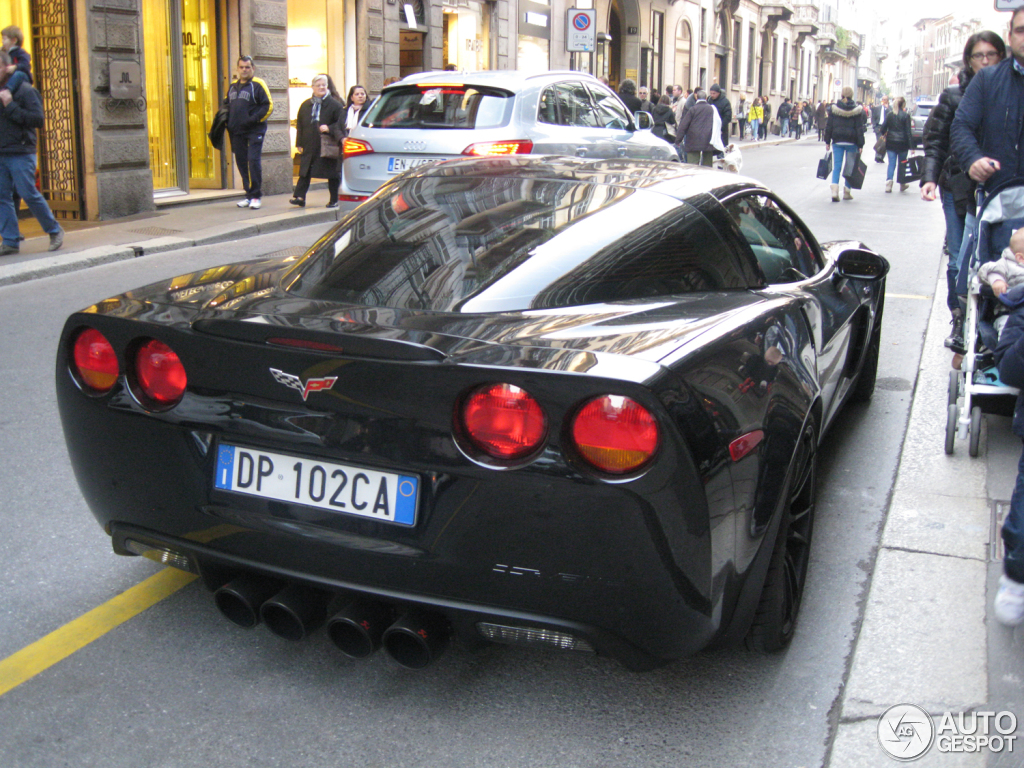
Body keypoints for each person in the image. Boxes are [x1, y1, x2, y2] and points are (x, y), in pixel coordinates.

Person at [952, 8, 1024, 625]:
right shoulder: (989, 82)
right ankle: (994, 347)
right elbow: (962, 130)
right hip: (1003, 212)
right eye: (1021, 28)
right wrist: (972, 161)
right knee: (991, 284)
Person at [922, 30, 1005, 353]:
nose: (985, 61)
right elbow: (937, 139)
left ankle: (985, 319)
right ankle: (959, 318)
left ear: (1001, 56)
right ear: (969, 61)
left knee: (990, 257)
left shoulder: (1009, 91)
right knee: (957, 258)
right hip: (957, 188)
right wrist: (930, 177)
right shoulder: (954, 96)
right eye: (978, 56)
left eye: (991, 55)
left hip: (997, 189)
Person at [0, 48, 61, 254]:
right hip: (2, 153)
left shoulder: (25, 90)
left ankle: (54, 230)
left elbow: (38, 120)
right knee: (2, 197)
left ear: (6, 68)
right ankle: (10, 240)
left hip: (21, 151)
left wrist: (10, 107)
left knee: (28, 193)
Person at [225, 55, 273, 210]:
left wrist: (253, 120)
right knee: (241, 162)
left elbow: (268, 106)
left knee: (253, 160)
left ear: (253, 68)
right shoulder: (233, 86)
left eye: (247, 67)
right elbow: (227, 105)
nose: (244, 70)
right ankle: (248, 194)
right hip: (237, 131)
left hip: (254, 131)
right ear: (237, 68)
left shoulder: (258, 84)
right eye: (241, 67)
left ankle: (256, 195)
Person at [289, 74, 344, 209]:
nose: (321, 88)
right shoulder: (306, 105)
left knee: (332, 173)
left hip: (327, 144)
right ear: (312, 87)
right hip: (309, 143)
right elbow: (300, 125)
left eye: (323, 85)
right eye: (318, 85)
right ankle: (300, 197)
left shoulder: (335, 105)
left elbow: (341, 124)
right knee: (305, 170)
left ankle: (334, 199)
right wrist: (299, 143)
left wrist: (329, 128)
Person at [823, 86, 865, 202]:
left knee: (837, 166)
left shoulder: (834, 109)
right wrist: (861, 144)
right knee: (850, 167)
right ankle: (847, 191)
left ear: (841, 95)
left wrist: (827, 141)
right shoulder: (857, 110)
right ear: (852, 95)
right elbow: (859, 129)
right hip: (852, 141)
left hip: (837, 140)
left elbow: (829, 126)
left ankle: (834, 190)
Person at [674, 88, 716, 166]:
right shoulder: (711, 109)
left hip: (693, 139)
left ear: (697, 98)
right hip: (708, 139)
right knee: (707, 166)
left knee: (692, 165)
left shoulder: (693, 109)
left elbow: (684, 124)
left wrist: (678, 140)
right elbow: (717, 124)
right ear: (706, 98)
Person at [979, 227, 1024, 298]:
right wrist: (997, 281)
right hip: (1016, 303)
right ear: (1021, 258)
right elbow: (990, 270)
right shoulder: (1007, 263)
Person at [879, 96, 912, 193]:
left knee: (891, 163)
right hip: (903, 143)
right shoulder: (906, 116)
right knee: (902, 163)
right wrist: (912, 146)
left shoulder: (889, 115)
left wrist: (885, 133)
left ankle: (888, 184)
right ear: (903, 105)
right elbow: (908, 132)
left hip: (891, 142)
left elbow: (882, 128)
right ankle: (902, 184)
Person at [0, 26, 31, 97]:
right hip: (10, 76)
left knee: (18, 74)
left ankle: (7, 90)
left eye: (4, 39)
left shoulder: (21, 52)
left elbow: (26, 65)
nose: (2, 41)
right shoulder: (5, 52)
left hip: (22, 76)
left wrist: (16, 67)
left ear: (14, 40)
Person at [707, 84, 732, 148]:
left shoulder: (725, 102)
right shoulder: (709, 100)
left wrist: (720, 126)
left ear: (718, 93)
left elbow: (728, 116)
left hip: (721, 130)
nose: (712, 95)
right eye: (711, 93)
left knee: (720, 150)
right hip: (710, 129)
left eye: (714, 93)